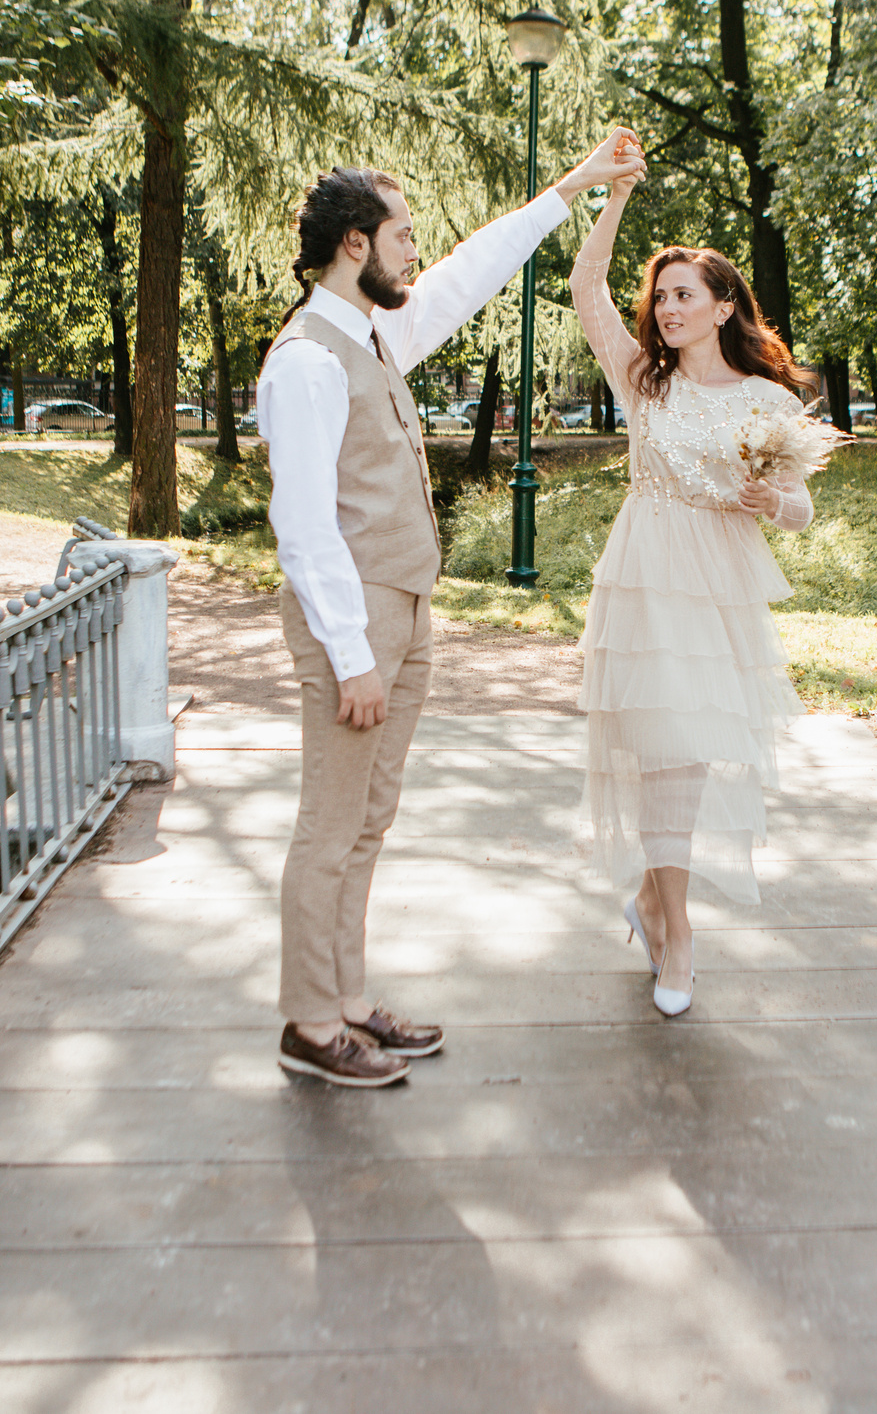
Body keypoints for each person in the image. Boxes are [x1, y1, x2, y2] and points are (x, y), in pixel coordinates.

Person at [258, 130, 646, 1087]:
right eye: (402, 236)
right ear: (356, 243)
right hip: (355, 620)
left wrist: (578, 183)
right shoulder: (306, 360)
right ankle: (309, 1024)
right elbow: (303, 526)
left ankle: (347, 1002)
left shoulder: (377, 330)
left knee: (369, 818)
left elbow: (477, 268)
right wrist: (351, 655)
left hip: (406, 611)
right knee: (330, 823)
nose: (415, 252)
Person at [566, 142, 825, 1016]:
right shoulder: (645, 382)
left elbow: (800, 511)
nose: (667, 308)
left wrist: (768, 502)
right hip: (643, 578)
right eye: (661, 296)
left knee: (692, 753)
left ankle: (650, 898)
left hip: (718, 587)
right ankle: (677, 930)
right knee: (663, 752)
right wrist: (614, 198)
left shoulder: (770, 403)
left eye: (684, 295)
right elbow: (585, 289)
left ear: (723, 307)